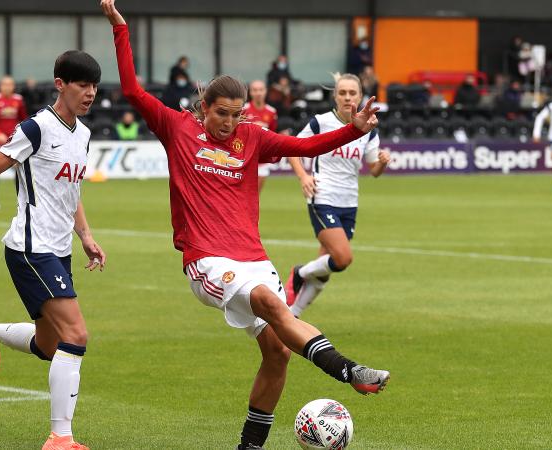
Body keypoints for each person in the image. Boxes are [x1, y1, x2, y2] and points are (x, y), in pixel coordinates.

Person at [102, 3, 389, 450]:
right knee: (268, 304)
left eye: (237, 114)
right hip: (207, 260)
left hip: (253, 257)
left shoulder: (251, 138)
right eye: (222, 114)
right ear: (204, 107)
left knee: (277, 352)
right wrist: (121, 30)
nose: (231, 122)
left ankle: (249, 446)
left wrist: (353, 130)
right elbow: (133, 90)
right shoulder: (177, 128)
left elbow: (305, 143)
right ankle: (349, 371)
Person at [0, 50, 106, 450]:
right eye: (82, 85)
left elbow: (71, 192)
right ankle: (61, 437)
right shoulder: (36, 128)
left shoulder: (83, 135)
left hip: (58, 251)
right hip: (29, 248)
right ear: (61, 84)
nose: (90, 93)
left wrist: (86, 236)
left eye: (94, 86)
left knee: (51, 345)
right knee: (77, 334)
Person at [285, 73, 390, 318]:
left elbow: (373, 170)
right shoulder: (321, 122)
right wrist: (304, 176)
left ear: (361, 96)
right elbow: (292, 149)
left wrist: (383, 162)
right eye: (342, 93)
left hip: (349, 202)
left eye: (352, 93)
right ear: (334, 96)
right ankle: (299, 273)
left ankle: (293, 315)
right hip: (323, 197)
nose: (347, 97)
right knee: (342, 258)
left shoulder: (369, 128)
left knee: (324, 267)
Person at [0, 75, 28, 210]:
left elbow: (23, 118)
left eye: (10, 84)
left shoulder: (18, 100)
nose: (7, 87)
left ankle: (20, 201)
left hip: (14, 141)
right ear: (0, 86)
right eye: (4, 84)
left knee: (19, 170)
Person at [243, 80, 278, 193]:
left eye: (261, 90)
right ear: (250, 92)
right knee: (242, 193)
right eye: (255, 90)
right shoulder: (243, 110)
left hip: (262, 160)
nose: (258, 93)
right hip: (245, 158)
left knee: (255, 193)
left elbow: (272, 135)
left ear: (265, 91)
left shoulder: (271, 112)